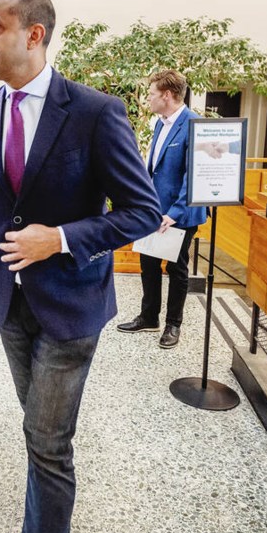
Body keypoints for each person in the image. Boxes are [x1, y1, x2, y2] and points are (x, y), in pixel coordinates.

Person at [0, 0, 161, 533]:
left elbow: (142, 212)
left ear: (33, 34)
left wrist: (61, 238)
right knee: (38, 429)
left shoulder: (94, 112)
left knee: (46, 441)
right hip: (10, 304)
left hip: (71, 306)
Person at [116, 70, 208, 349]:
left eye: (151, 93)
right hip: (154, 210)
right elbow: (155, 169)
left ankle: (173, 324)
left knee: (177, 268)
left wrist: (174, 213)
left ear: (167, 95)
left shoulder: (193, 124)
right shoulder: (160, 124)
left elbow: (194, 177)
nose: (147, 98)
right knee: (148, 263)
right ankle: (148, 316)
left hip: (179, 214)